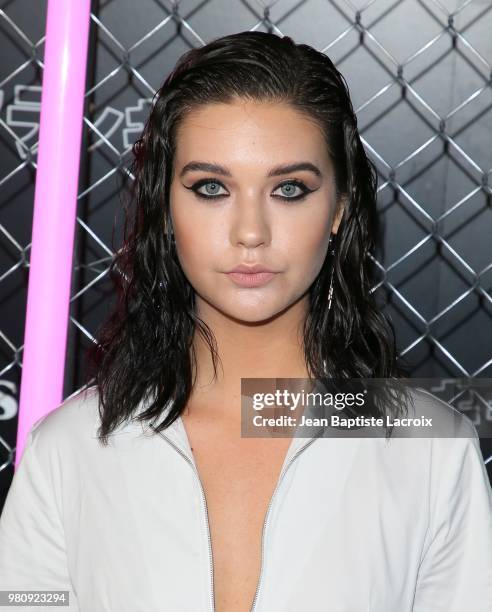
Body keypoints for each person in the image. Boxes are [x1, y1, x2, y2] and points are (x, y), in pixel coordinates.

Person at [0, 30, 491, 612]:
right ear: (164, 206)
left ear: (338, 208)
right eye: (211, 188)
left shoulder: (431, 450)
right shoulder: (70, 448)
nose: (250, 232)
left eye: (289, 189)